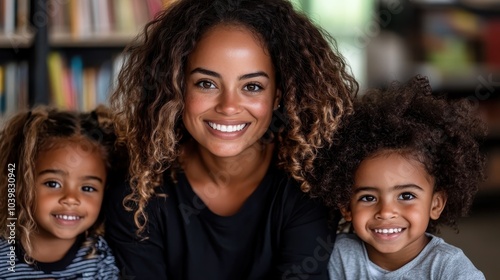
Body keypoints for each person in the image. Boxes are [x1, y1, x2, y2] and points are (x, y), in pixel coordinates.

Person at [104, 0, 357, 278]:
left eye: (252, 86)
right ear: (175, 88)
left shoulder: (308, 188)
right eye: (206, 83)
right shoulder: (137, 197)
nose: (228, 106)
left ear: (278, 97)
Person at [310, 75, 487, 279]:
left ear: (436, 204)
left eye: (406, 196)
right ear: (347, 207)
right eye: (368, 198)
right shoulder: (337, 256)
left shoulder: (449, 269)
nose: (386, 212)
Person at [0, 106, 122, 279]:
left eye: (88, 188)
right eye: (53, 183)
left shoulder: (100, 257)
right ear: (22, 182)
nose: (71, 199)